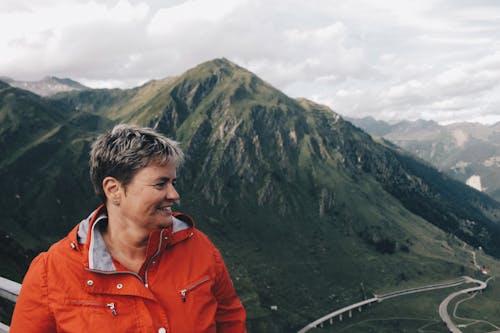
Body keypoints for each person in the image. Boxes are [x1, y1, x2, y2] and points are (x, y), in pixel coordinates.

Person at [10, 124, 247, 333]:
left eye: (173, 182)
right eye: (160, 184)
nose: (174, 195)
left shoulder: (199, 248)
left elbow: (231, 322)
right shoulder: (51, 273)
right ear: (113, 189)